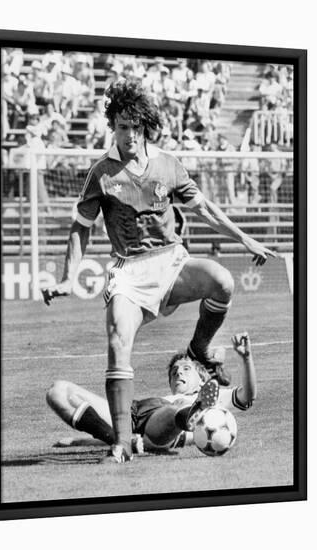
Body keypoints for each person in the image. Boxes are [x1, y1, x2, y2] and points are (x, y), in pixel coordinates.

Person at [43, 79, 275, 464]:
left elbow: (204, 209)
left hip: (171, 262)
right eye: (121, 126)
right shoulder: (101, 173)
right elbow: (79, 228)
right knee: (118, 340)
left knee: (222, 281)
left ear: (145, 126)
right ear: (112, 127)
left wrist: (245, 239)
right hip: (129, 272)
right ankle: (120, 442)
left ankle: (199, 348)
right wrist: (69, 277)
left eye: (135, 127)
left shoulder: (167, 164)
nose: (129, 134)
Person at [46, 333, 256, 453]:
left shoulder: (215, 396)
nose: (178, 372)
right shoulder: (169, 395)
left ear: (202, 378)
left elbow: (247, 397)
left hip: (163, 419)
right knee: (58, 391)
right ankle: (121, 443)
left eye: (185, 368)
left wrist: (246, 359)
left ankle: (189, 414)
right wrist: (79, 441)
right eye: (174, 371)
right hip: (136, 408)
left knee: (175, 410)